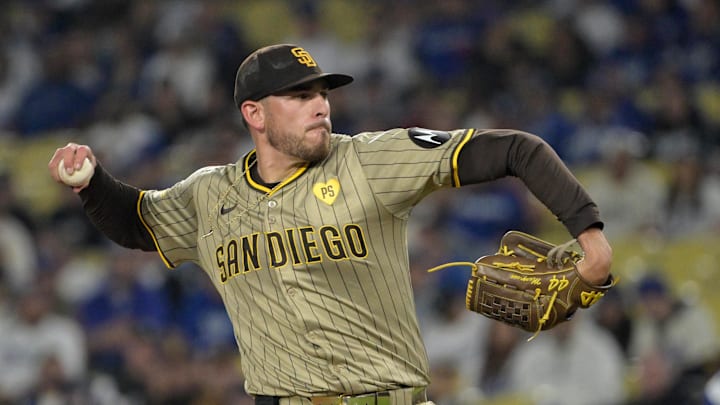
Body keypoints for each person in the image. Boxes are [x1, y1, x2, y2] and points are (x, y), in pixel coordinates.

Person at [48, 43, 613, 405]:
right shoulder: (208, 195)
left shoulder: (370, 160)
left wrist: (591, 242)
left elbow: (518, 149)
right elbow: (138, 223)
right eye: (300, 95)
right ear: (255, 114)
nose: (321, 105)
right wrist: (91, 184)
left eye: (322, 93)